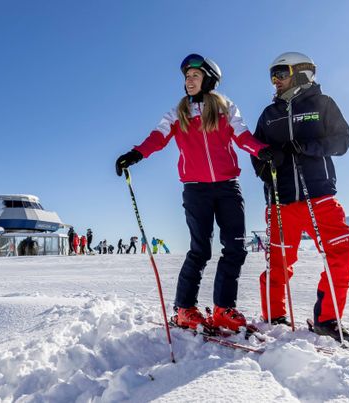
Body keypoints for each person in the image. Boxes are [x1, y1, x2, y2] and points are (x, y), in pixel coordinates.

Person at [115, 53, 280, 332]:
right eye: (187, 77)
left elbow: (242, 136)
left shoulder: (225, 108)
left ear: (209, 79)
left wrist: (262, 151)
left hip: (228, 187)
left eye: (195, 76)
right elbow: (158, 138)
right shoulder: (177, 113)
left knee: (235, 248)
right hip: (195, 190)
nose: (189, 81)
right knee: (200, 249)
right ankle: (184, 309)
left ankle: (223, 309)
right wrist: (136, 154)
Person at [249, 51, 349, 343]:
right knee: (278, 264)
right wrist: (267, 164)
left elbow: (342, 141)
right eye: (272, 76)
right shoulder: (268, 115)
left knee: (344, 255)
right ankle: (273, 317)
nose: (275, 80)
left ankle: (327, 319)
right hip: (281, 202)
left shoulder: (322, 104)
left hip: (319, 197)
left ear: (300, 72)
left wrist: (306, 147)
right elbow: (255, 153)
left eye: (280, 73)